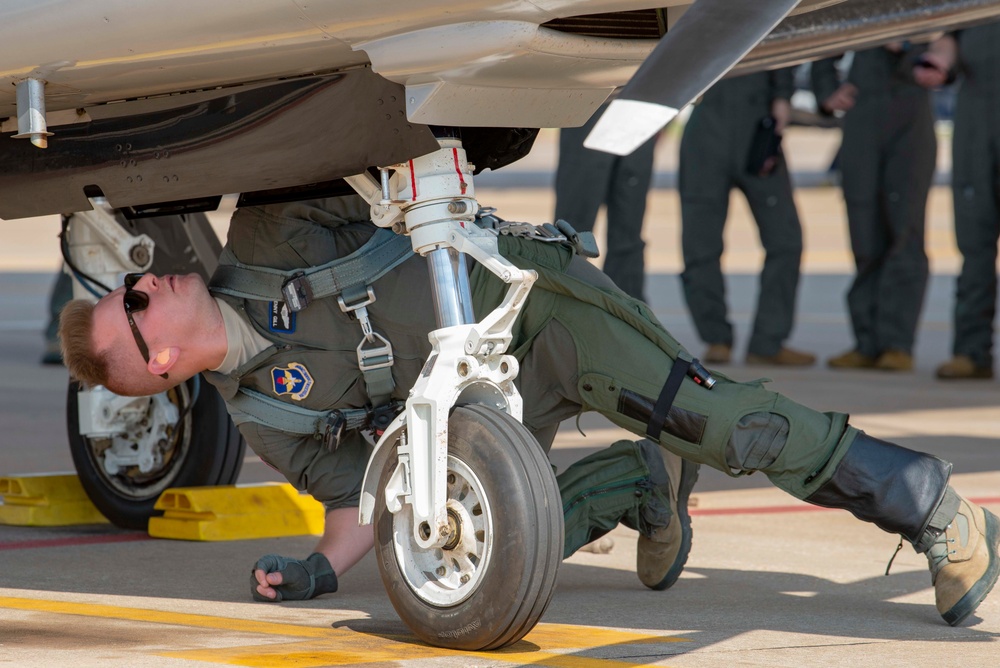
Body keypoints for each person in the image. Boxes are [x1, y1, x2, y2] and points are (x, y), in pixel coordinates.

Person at [60, 195, 998, 626]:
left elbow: (382, 143)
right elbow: (368, 506)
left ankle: (931, 506)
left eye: (131, 285)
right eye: (132, 305)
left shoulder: (269, 228)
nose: (151, 284)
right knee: (480, 541)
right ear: (162, 360)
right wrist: (317, 569)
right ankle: (640, 481)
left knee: (727, 427)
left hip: (538, 309)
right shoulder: (267, 417)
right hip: (490, 406)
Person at [678, 69, 815, 367]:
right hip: (707, 124)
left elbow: (783, 35)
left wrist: (782, 97)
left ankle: (767, 342)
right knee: (701, 244)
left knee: (786, 239)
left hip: (758, 124)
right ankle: (715, 338)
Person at [813, 45, 938, 372]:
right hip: (862, 113)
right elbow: (824, 37)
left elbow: (949, 42)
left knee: (904, 231)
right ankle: (866, 343)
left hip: (910, 109)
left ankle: (897, 344)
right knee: (863, 229)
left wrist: (909, 45)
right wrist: (826, 90)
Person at [912, 25, 1000, 380]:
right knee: (973, 243)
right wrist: (939, 60)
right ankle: (971, 351)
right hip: (977, 124)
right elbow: (952, 35)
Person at [554, 101, 657, 301]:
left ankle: (629, 314)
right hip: (591, 100)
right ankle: (565, 308)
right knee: (574, 231)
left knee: (628, 233)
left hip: (640, 105)